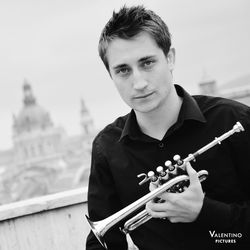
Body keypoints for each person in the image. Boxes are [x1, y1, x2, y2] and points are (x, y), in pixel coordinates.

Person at [86, 5, 250, 250]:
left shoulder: (234, 120)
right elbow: (103, 242)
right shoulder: (107, 147)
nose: (139, 83)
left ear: (170, 58)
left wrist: (205, 211)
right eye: (123, 70)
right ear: (111, 75)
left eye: (147, 63)